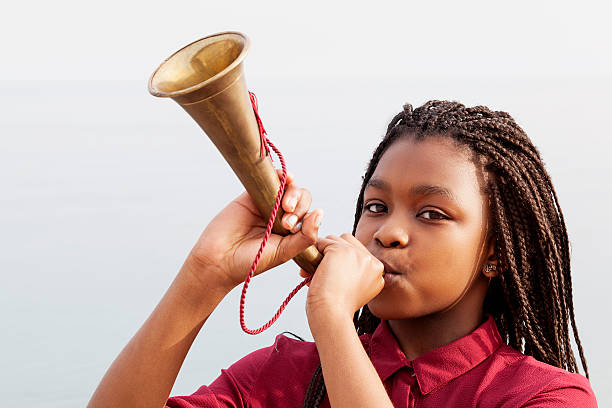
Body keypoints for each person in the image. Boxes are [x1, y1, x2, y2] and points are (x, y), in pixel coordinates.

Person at [88, 100, 598, 407]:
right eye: (375, 205)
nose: (388, 232)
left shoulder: (543, 396)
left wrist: (332, 318)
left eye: (431, 214)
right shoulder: (279, 377)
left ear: (497, 253)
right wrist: (204, 277)